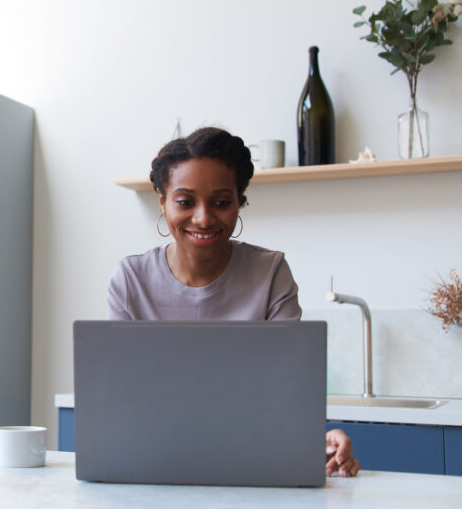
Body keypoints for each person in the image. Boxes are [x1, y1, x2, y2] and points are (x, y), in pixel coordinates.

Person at [107, 126, 361, 478]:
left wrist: (319, 437)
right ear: (162, 200)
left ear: (239, 202)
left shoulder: (270, 273)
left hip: (253, 464)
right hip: (155, 462)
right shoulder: (131, 280)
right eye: (185, 201)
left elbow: (289, 392)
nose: (203, 218)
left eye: (221, 202)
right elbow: (122, 399)